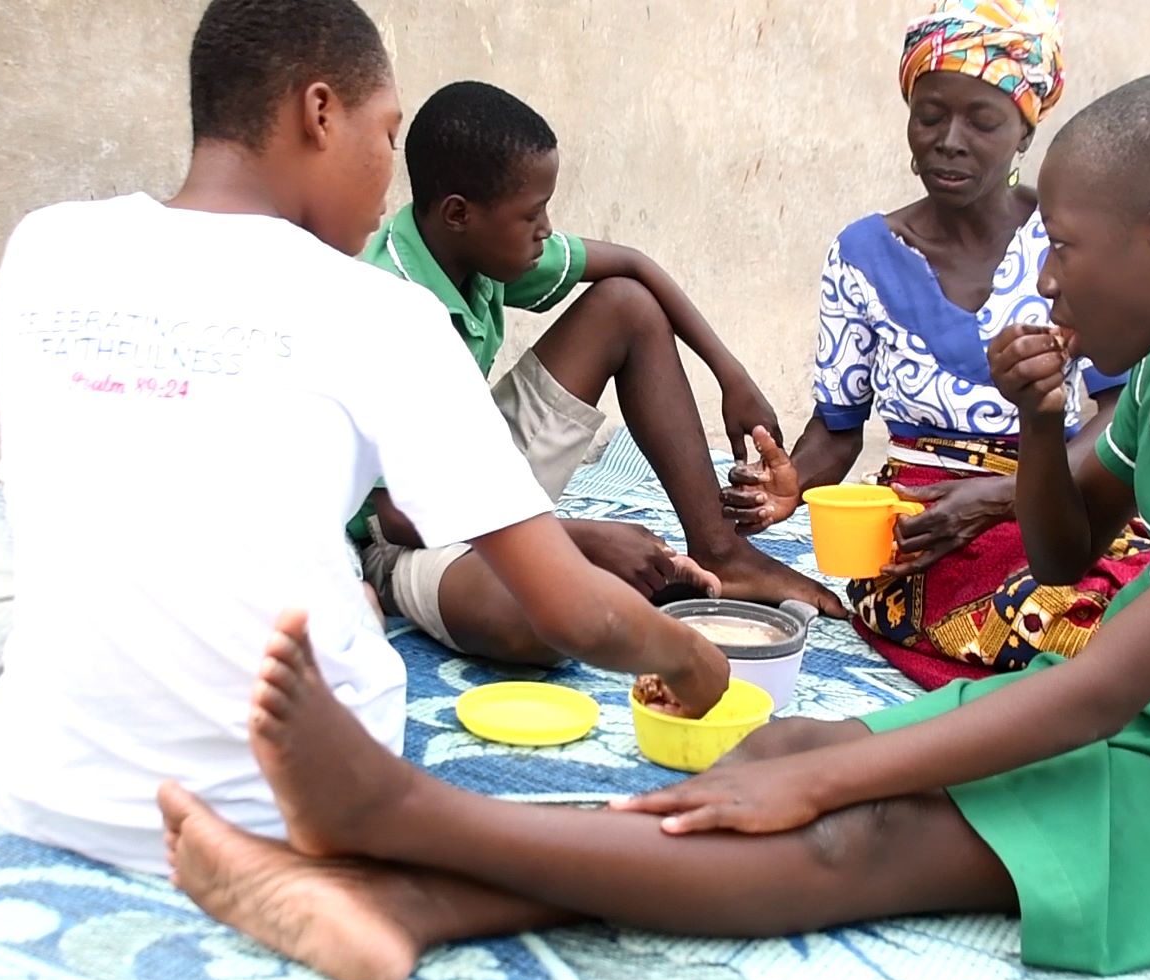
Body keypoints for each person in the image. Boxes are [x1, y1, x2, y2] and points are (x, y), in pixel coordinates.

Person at [155, 76, 1150, 980]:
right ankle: (411, 907)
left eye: (1063, 245)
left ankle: (402, 827)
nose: (1044, 273)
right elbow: (1066, 566)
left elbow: (1103, 683)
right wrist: (1037, 433)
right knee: (786, 747)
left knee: (845, 839)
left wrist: (834, 790)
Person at [0, 0, 728, 875]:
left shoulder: (47, 247)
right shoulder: (380, 312)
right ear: (320, 112)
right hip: (300, 806)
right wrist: (691, 660)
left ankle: (58, 694)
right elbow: (578, 614)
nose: (387, 177)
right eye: (384, 135)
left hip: (50, 789)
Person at [720, 0, 1150, 689]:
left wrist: (1002, 495)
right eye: (930, 115)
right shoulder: (862, 253)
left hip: (1064, 500)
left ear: (1024, 132)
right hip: (920, 528)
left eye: (982, 120)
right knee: (1074, 635)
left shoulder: (1070, 241)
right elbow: (838, 428)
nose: (950, 139)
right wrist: (791, 487)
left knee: (1148, 616)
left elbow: (1117, 419)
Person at [352, 81, 843, 666]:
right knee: (553, 624)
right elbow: (396, 516)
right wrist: (569, 536)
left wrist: (729, 374)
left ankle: (720, 550)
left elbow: (635, 266)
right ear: (459, 213)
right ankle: (553, 570)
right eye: (531, 215)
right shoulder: (385, 302)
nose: (546, 229)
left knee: (626, 305)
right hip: (401, 532)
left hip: (475, 476)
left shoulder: (469, 247)